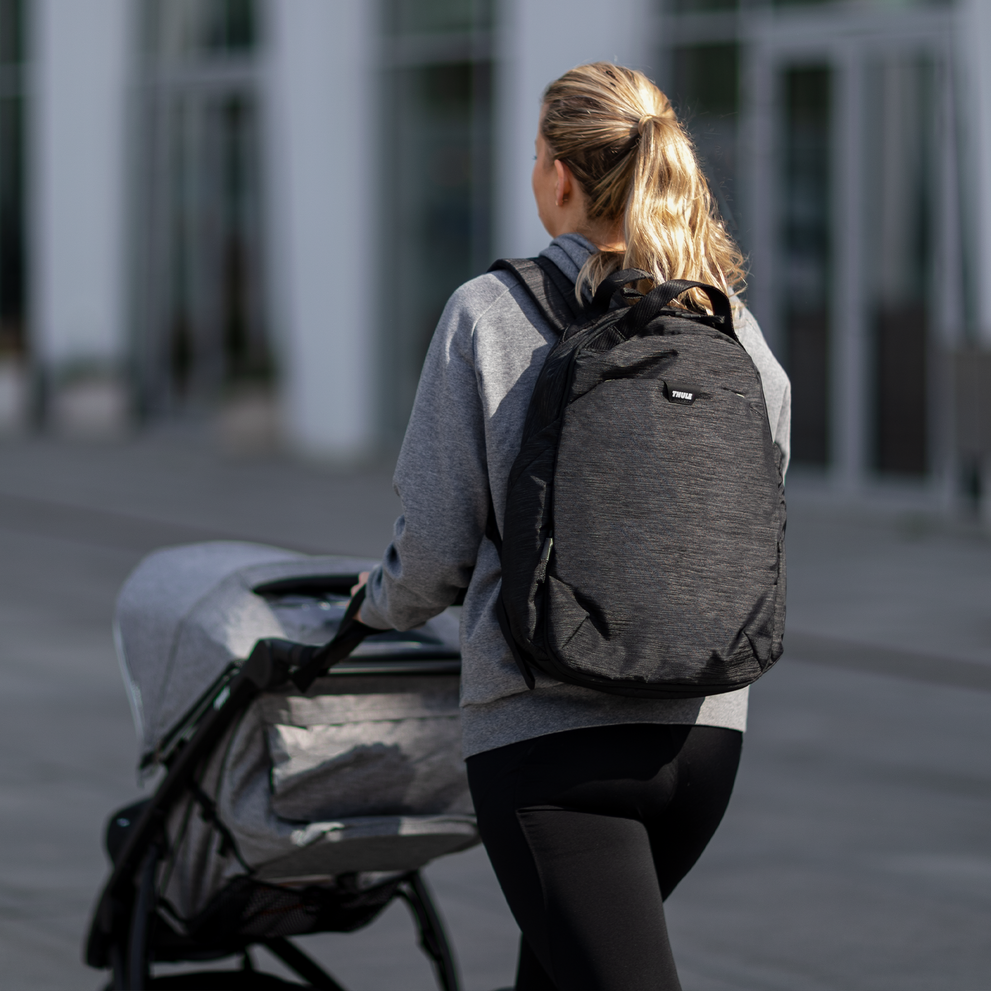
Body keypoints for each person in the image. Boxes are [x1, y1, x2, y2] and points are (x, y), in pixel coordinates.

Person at [356, 62, 791, 991]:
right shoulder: (732, 330)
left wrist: (371, 609)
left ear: (557, 174)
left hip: (545, 740)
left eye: (533, 156)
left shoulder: (486, 314)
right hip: (705, 736)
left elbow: (431, 550)